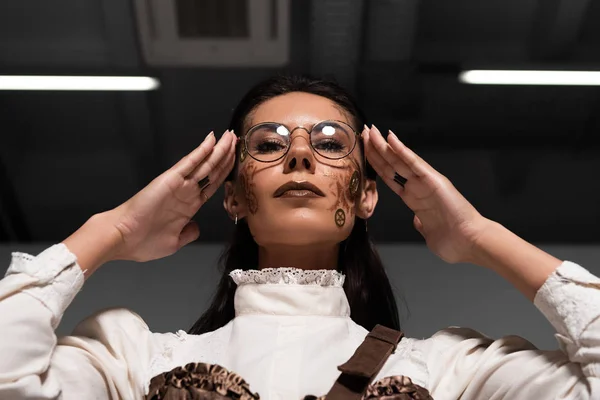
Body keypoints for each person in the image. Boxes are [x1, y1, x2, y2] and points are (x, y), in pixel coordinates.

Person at [0, 75, 598, 400]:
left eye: (331, 144)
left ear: (367, 196)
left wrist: (479, 235)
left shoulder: (450, 370)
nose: (301, 158)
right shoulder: (131, 360)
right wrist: (114, 229)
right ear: (231, 195)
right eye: (269, 144)